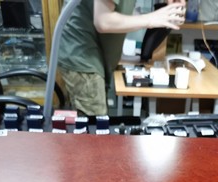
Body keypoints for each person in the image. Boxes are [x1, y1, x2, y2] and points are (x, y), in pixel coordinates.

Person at [57, 0, 186, 116]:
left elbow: (122, 10)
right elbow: (104, 21)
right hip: (80, 51)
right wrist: (150, 19)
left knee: (98, 121)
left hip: (93, 52)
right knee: (95, 124)